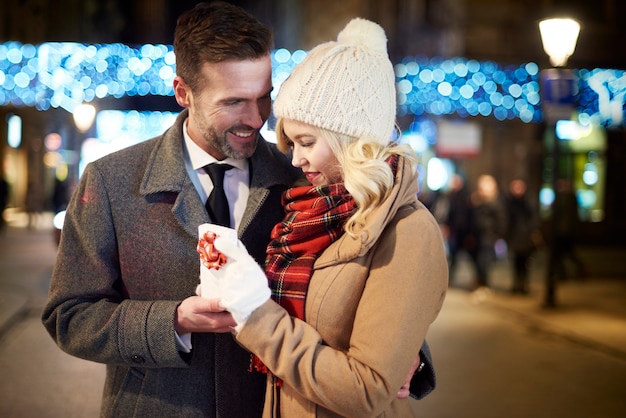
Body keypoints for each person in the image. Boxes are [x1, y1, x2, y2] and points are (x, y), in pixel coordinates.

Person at [41, 3, 436, 417]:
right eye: (233, 102)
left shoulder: (304, 174)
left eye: (263, 97)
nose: (256, 119)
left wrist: (409, 355)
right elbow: (69, 315)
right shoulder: (112, 180)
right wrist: (172, 322)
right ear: (183, 93)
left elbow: (363, 284)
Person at [207, 18, 448, 417]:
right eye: (291, 143)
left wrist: (255, 315)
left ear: (351, 139)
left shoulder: (407, 230)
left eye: (307, 142)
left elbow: (368, 389)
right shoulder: (307, 212)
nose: (295, 159)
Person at [468, 174, 507, 289]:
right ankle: (481, 280)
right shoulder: (476, 202)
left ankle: (484, 282)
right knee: (478, 259)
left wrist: (497, 234)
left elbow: (501, 220)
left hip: (489, 236)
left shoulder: (495, 203)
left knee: (484, 260)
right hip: (478, 236)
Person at [504, 179, 540, 294]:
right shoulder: (510, 203)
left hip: (525, 237)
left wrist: (532, 232)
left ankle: (523, 284)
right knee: (515, 262)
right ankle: (516, 284)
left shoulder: (528, 202)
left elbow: (533, 218)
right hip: (514, 237)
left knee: (525, 263)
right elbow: (507, 219)